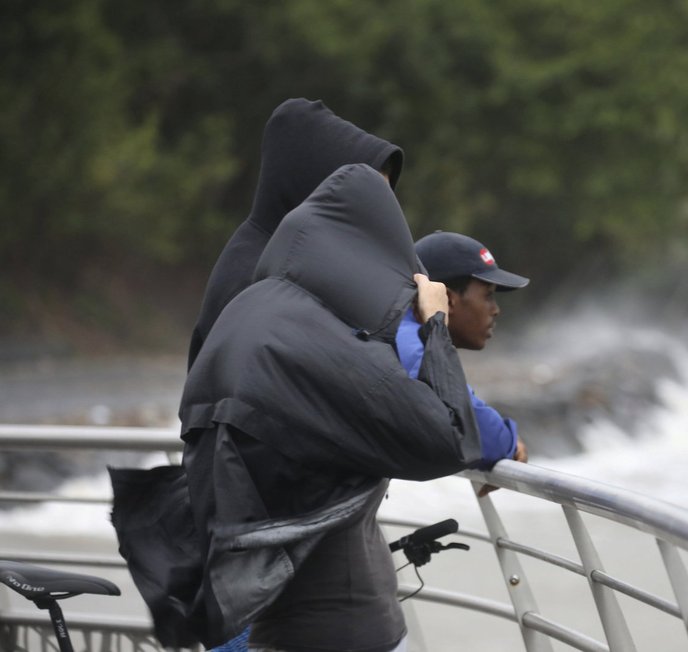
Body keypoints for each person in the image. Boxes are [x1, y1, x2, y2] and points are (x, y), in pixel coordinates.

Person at [111, 165, 493, 651]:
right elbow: (451, 437)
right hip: (349, 629)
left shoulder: (251, 317)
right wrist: (436, 323)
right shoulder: (320, 347)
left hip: (278, 626)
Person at [186, 97, 403, 370]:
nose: (380, 217)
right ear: (322, 188)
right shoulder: (256, 279)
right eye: (370, 198)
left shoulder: (296, 264)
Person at [396, 231, 530, 470]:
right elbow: (475, 432)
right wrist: (510, 444)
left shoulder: (402, 331)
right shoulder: (412, 345)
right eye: (488, 295)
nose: (495, 310)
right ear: (447, 298)